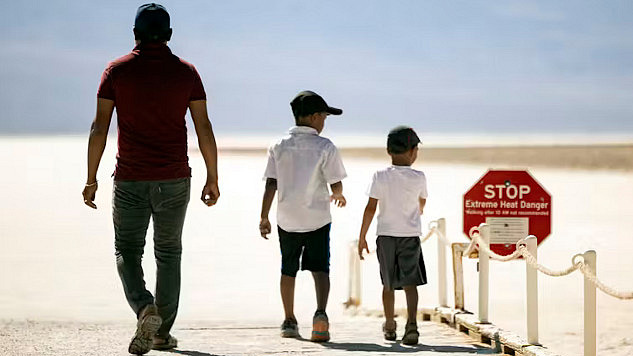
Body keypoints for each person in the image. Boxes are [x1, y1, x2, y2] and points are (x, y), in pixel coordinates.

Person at [81, 4, 220, 354]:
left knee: (127, 249)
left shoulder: (116, 71)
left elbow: (100, 127)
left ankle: (145, 308)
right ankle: (161, 333)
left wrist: (91, 176)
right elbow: (203, 126)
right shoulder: (186, 73)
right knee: (169, 253)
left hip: (129, 177)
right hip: (175, 177)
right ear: (169, 35)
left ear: (134, 34)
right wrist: (212, 176)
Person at [259, 90, 347, 342]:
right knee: (320, 268)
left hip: (287, 219)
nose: (324, 122)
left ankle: (289, 320)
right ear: (315, 117)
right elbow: (335, 182)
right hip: (317, 218)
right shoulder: (325, 146)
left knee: (288, 270)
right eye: (324, 117)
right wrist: (339, 194)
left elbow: (271, 184)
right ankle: (320, 316)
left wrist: (264, 216)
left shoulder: (278, 146)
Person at [357, 126, 428, 346]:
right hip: (410, 236)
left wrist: (362, 237)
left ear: (389, 151)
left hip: (385, 236)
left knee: (387, 283)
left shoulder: (380, 176)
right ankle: (412, 326)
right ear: (413, 151)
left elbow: (370, 208)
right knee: (410, 283)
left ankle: (389, 324)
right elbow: (422, 203)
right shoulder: (419, 177)